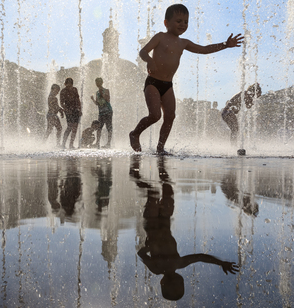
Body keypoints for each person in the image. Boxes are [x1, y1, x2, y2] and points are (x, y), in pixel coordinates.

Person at [129, 4, 244, 155]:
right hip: (153, 83)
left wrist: (225, 45)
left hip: (167, 85)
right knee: (155, 115)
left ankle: (160, 148)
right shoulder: (160, 37)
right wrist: (149, 61)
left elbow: (204, 49)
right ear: (166, 23)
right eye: (178, 21)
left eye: (186, 22)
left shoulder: (184, 43)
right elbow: (143, 51)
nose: (183, 24)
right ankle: (135, 133)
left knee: (170, 116)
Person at [130, 155, 239, 301]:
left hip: (152, 224)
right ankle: (160, 163)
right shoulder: (178, 263)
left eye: (177, 284)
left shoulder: (157, 268)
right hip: (164, 221)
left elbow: (141, 254)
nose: (179, 282)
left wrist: (149, 246)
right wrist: (220, 262)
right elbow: (200, 257)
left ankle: (136, 175)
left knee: (154, 193)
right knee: (167, 189)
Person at [90, 77, 113, 148]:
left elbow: (108, 100)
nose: (98, 83)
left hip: (108, 111)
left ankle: (108, 143)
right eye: (96, 82)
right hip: (101, 113)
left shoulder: (106, 90)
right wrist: (93, 99)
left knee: (108, 127)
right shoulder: (97, 92)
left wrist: (102, 93)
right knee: (99, 127)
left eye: (99, 82)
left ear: (102, 82)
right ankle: (97, 143)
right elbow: (97, 103)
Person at [60, 78, 82, 149]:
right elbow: (61, 103)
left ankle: (71, 144)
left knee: (75, 128)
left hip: (76, 110)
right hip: (68, 110)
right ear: (65, 84)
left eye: (70, 86)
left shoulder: (75, 89)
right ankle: (63, 144)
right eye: (68, 86)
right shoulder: (63, 91)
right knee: (69, 127)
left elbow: (78, 100)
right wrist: (66, 109)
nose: (69, 87)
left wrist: (80, 109)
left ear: (72, 85)